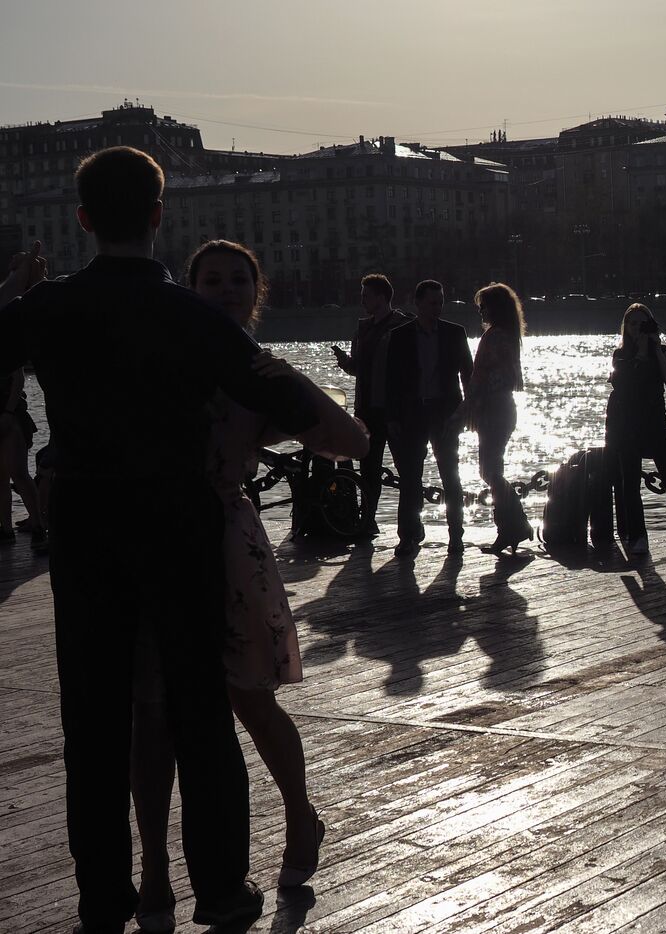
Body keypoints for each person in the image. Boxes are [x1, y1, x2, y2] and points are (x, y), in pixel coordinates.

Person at [0, 147, 363, 934]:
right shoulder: (195, 318)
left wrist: (13, 299)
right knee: (201, 714)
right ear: (160, 216)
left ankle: (105, 898)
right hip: (180, 526)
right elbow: (319, 422)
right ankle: (222, 891)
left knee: (95, 722)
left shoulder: (48, 309)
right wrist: (346, 433)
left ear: (83, 219)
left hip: (89, 530)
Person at [128, 240, 365, 931]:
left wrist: (293, 378)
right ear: (188, 287)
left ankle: (300, 816)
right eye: (211, 279)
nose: (225, 289)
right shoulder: (166, 362)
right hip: (160, 541)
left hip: (228, 544)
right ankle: (153, 871)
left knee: (249, 702)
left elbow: (351, 440)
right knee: (153, 717)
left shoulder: (255, 375)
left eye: (239, 280)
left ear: (257, 292)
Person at [605, 303, 666, 557]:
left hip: (656, 424)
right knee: (630, 484)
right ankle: (639, 537)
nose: (638, 328)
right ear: (626, 327)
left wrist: (655, 349)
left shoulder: (662, 351)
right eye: (633, 324)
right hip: (628, 426)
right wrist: (638, 353)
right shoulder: (620, 355)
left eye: (643, 323)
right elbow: (620, 384)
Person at [383, 279, 474, 557]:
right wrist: (392, 418)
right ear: (418, 302)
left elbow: (467, 375)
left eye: (441, 302)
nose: (437, 308)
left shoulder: (454, 333)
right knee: (410, 478)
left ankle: (456, 536)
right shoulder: (400, 336)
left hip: (444, 413)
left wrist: (466, 411)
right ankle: (408, 536)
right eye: (432, 302)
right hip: (413, 414)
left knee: (451, 475)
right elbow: (391, 381)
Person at [454, 282, 531, 554]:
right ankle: (513, 526)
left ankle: (514, 525)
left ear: (494, 308)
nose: (481, 312)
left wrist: (469, 405)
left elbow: (492, 378)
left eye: (483, 307)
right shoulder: (507, 335)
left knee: (490, 471)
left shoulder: (495, 337)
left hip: (495, 410)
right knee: (491, 470)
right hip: (502, 409)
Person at [332, 273, 410, 538]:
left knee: (405, 468)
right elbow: (360, 369)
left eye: (366, 295)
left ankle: (408, 528)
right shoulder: (363, 329)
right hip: (367, 410)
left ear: (381, 297)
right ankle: (368, 520)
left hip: (394, 411)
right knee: (369, 469)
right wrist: (345, 362)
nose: (362, 300)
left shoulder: (402, 326)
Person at [0, 365, 45, 549]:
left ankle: (38, 526)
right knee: (1, 477)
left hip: (10, 414)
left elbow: (18, 378)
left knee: (18, 472)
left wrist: (9, 412)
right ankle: (6, 529)